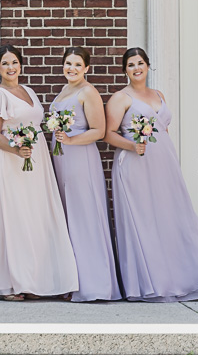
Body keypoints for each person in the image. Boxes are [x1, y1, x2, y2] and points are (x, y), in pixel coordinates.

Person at [104, 47, 198, 302]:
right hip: (135, 165)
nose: (136, 68)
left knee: (172, 217)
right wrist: (133, 145)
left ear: (148, 66)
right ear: (125, 70)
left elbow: (164, 131)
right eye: (130, 65)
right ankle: (150, 285)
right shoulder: (120, 98)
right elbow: (108, 134)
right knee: (146, 222)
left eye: (140, 63)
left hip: (164, 165)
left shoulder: (158, 94)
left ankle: (183, 278)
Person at [0, 45, 78, 300]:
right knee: (14, 220)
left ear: (20, 64)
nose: (10, 67)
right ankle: (12, 284)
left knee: (37, 217)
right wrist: (15, 149)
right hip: (9, 162)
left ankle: (38, 280)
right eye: (5, 64)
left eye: (14, 62)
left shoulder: (30, 91)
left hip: (37, 162)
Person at [49, 47, 121, 302]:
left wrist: (70, 139)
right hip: (62, 159)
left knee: (84, 217)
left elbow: (99, 131)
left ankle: (94, 284)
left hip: (80, 158)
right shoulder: (64, 91)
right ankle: (73, 279)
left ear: (87, 68)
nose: (72, 68)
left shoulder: (88, 92)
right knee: (69, 218)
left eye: (77, 65)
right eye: (68, 63)